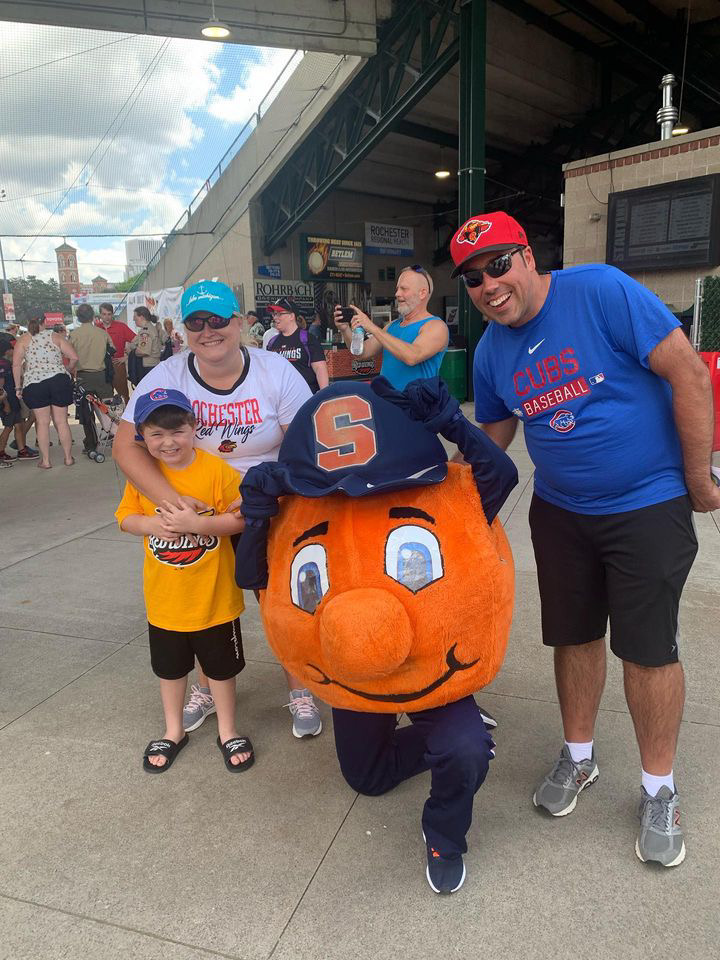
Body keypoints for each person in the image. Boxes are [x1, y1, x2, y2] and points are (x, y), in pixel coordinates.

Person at [450, 209, 720, 868]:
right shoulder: (492, 351)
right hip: (561, 512)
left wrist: (700, 479)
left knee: (647, 650)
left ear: (528, 256)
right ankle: (579, 757)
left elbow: (687, 372)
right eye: (473, 277)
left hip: (647, 504)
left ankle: (659, 788)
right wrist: (440, 486)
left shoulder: (599, 290)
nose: (488, 284)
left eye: (498, 264)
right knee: (572, 637)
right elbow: (495, 438)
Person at [113, 280, 323, 739]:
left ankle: (301, 688)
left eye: (219, 320)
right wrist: (172, 506)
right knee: (201, 606)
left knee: (282, 602)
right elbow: (125, 448)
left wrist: (266, 495)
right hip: (194, 511)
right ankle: (207, 688)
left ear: (241, 322)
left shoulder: (276, 371)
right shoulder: (167, 374)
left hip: (268, 505)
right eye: (195, 322)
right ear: (184, 329)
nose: (208, 331)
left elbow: (306, 446)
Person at [116, 388, 252, 774]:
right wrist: (152, 523)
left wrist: (200, 524)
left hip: (215, 598)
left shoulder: (216, 470)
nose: (168, 441)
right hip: (165, 601)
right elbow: (125, 517)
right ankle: (173, 729)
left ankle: (228, 730)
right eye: (156, 434)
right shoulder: (143, 477)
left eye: (177, 430)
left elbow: (241, 517)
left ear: (195, 427)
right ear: (142, 437)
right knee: (171, 670)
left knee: (222, 671)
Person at [333, 265, 448, 390]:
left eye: (404, 289)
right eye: (397, 289)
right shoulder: (392, 326)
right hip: (386, 403)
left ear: (422, 293)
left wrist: (373, 328)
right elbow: (362, 353)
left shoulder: (436, 326)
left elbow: (412, 356)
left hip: (415, 406)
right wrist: (345, 329)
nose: (397, 294)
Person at [12, 319, 78, 468]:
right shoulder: (55, 336)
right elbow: (74, 357)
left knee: (42, 423)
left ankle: (46, 461)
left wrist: (18, 387)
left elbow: (16, 365)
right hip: (58, 381)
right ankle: (68, 458)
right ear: (44, 322)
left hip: (35, 383)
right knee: (61, 422)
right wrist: (67, 369)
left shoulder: (23, 339)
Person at [69, 304, 113, 456]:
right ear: (93, 316)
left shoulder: (74, 335)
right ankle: (113, 436)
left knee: (86, 413)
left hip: (83, 377)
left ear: (78, 317)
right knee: (108, 409)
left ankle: (91, 444)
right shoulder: (102, 333)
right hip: (102, 375)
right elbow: (112, 351)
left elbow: (70, 356)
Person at [265, 297, 329, 394]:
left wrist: (324, 395)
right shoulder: (272, 343)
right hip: (281, 401)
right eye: (274, 314)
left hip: (306, 398)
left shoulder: (308, 339)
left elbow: (320, 368)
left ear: (291, 316)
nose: (275, 318)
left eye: (279, 314)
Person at [95, 303, 135, 402]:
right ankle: (108, 418)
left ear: (113, 314)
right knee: (104, 397)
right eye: (104, 314)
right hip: (102, 366)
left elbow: (138, 341)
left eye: (109, 314)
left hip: (117, 364)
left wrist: (127, 357)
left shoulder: (121, 327)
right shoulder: (96, 328)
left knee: (124, 395)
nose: (107, 317)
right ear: (100, 315)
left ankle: (126, 416)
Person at [126, 307, 168, 384]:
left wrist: (132, 352)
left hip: (148, 367)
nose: (133, 320)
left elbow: (143, 351)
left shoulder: (146, 332)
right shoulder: (150, 328)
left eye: (135, 318)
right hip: (153, 365)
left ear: (141, 317)